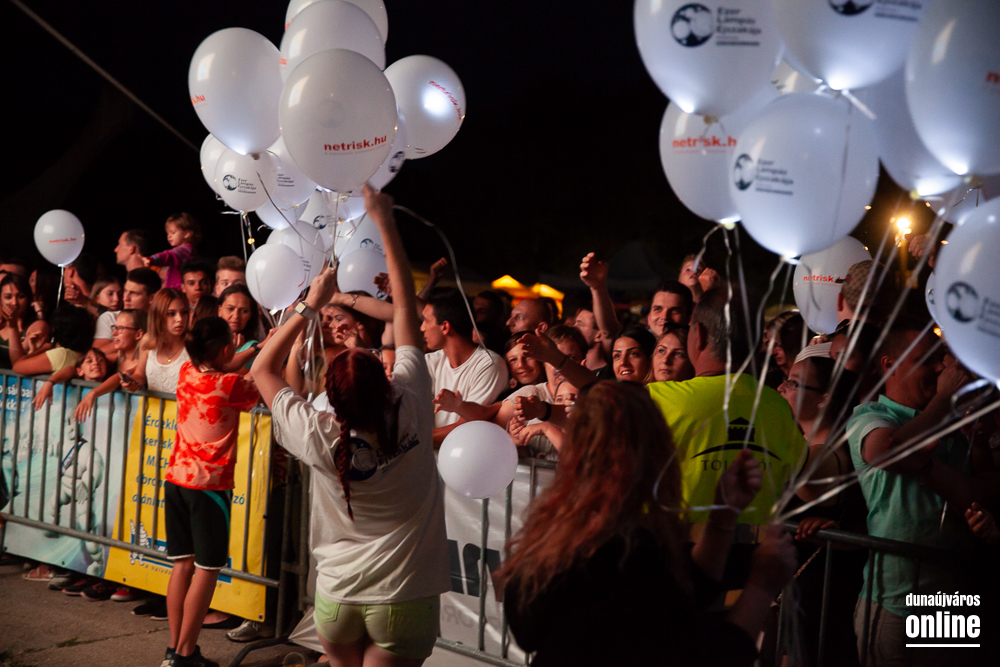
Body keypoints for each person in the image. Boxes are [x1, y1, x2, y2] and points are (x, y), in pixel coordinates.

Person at [252, 184, 449, 667]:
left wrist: (308, 306)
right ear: (385, 382)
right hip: (404, 596)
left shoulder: (316, 431)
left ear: (331, 397)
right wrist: (385, 221)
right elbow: (405, 310)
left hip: (336, 599)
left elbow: (261, 369)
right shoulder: (411, 401)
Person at [498, 381, 797, 666]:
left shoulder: (557, 533)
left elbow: (686, 591)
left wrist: (723, 514)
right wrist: (762, 585)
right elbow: (707, 656)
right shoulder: (625, 551)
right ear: (654, 454)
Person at [847, 322, 984, 667]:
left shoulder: (950, 421)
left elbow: (977, 490)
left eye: (941, 359)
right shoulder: (870, 417)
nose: (939, 369)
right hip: (897, 603)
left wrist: (979, 436)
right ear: (889, 364)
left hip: (952, 599)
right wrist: (944, 400)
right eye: (926, 360)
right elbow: (889, 452)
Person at [646, 288, 807, 541]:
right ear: (757, 342)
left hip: (671, 553)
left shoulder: (653, 400)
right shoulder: (778, 407)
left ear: (698, 335)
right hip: (753, 557)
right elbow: (794, 480)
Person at [162, 316, 261, 667]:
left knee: (182, 566)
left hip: (176, 480)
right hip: (208, 487)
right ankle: (185, 653)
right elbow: (260, 377)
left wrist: (257, 346)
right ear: (223, 350)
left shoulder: (187, 370)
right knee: (206, 570)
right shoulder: (229, 386)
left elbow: (227, 363)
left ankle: (175, 650)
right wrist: (272, 348)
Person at [422, 286, 508, 443]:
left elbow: (467, 426)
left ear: (445, 326)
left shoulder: (489, 365)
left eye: (426, 321)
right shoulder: (430, 361)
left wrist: (413, 442)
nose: (422, 328)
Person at [75, 310, 147, 421]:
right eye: (115, 328)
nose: (114, 334)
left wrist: (93, 393)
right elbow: (76, 366)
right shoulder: (115, 358)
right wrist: (51, 381)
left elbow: (118, 377)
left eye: (121, 328)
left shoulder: (145, 363)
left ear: (138, 334)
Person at [125, 288, 190, 394]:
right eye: (171, 313)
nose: (180, 319)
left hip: (183, 404)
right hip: (153, 404)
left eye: (184, 312)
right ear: (158, 315)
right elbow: (140, 375)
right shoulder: (148, 340)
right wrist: (131, 382)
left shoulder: (193, 342)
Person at [94, 268, 161, 358]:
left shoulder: (162, 323)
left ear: (151, 298)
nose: (126, 298)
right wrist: (125, 340)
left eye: (134, 293)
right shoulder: (110, 317)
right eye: (125, 291)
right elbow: (95, 354)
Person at [12, 304, 94, 376]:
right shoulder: (80, 354)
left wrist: (44, 348)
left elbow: (17, 367)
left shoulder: (61, 354)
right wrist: (34, 350)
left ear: (56, 329)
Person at [217, 284, 270, 373]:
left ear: (251, 315)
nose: (236, 316)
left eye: (244, 311)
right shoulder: (208, 340)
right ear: (219, 310)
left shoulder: (252, 347)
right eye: (230, 309)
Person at [144, 213, 201, 290]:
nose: (169, 236)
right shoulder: (190, 250)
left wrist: (152, 259)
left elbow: (168, 256)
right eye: (168, 233)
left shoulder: (183, 251)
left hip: (178, 291)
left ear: (186, 234)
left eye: (173, 232)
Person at [0, 273, 40, 368]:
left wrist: (13, 327)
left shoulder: (36, 326)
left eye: (21, 297)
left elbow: (18, 363)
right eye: (8, 297)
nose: (14, 303)